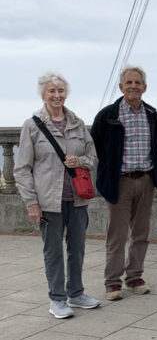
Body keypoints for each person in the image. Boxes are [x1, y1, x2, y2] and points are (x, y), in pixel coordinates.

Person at [15, 72, 100, 318]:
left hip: (77, 198)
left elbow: (93, 158)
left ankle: (76, 294)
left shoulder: (77, 123)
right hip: (47, 201)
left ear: (66, 94)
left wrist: (79, 160)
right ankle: (57, 299)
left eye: (60, 91)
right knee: (53, 251)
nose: (57, 95)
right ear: (43, 94)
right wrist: (31, 203)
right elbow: (22, 169)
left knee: (77, 248)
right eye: (51, 91)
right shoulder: (32, 125)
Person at [92, 65, 157, 301]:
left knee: (141, 233)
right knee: (117, 235)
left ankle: (134, 277)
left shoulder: (151, 114)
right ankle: (112, 282)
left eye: (137, 83)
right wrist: (105, 178)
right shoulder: (108, 115)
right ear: (121, 87)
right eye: (129, 83)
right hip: (120, 182)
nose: (133, 86)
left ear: (144, 87)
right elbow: (96, 148)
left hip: (145, 179)